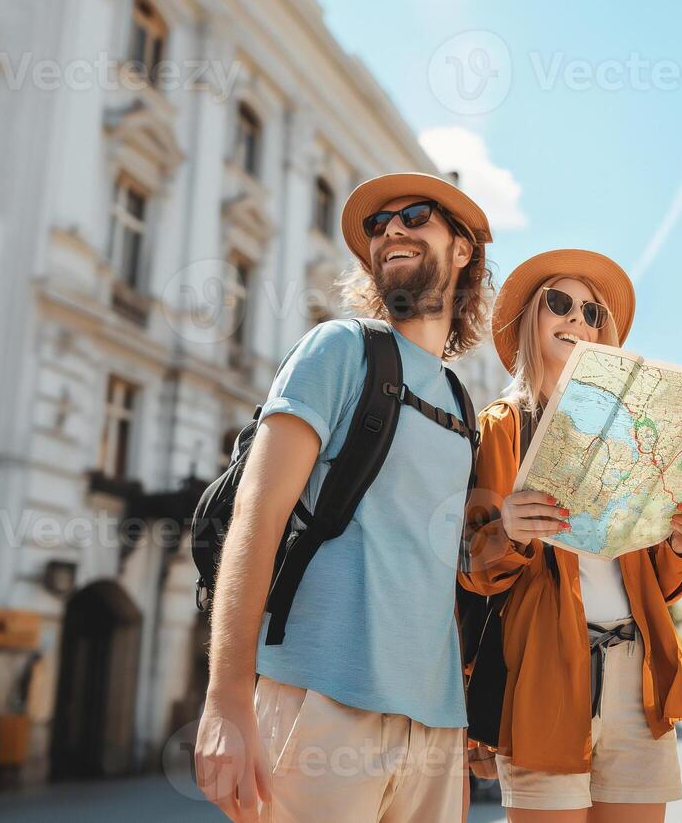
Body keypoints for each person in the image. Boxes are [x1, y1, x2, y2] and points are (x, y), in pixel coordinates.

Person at [194, 174, 494, 823]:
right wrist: (226, 699)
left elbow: (439, 575)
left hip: (435, 729)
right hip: (318, 705)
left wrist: (456, 728)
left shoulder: (463, 405)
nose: (391, 229)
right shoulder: (340, 348)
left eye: (416, 215)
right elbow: (258, 512)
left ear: (464, 249)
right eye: (378, 225)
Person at [461, 249, 682, 821]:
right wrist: (508, 530)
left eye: (592, 311)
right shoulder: (502, 426)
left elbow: (663, 584)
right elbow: (472, 570)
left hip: (638, 668)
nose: (577, 319)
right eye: (559, 303)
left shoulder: (639, 436)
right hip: (541, 672)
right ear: (532, 319)